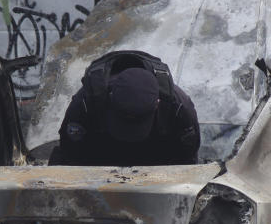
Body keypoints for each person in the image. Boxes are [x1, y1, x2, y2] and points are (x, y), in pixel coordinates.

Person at [50, 51, 200, 166]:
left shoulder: (179, 108)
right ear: (110, 97)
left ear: (158, 104)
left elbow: (188, 162)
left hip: (158, 170)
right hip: (98, 165)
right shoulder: (86, 103)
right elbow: (69, 157)